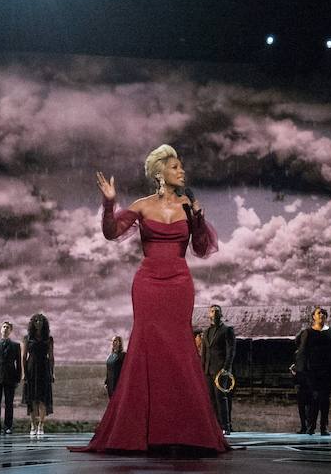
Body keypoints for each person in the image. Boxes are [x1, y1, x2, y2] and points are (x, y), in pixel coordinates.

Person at [76, 144, 228, 453]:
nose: (181, 171)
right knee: (146, 348)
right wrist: (109, 203)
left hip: (179, 283)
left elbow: (200, 247)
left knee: (179, 348)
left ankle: (186, 432)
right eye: (175, 167)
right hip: (148, 284)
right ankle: (138, 432)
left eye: (181, 167)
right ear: (159, 172)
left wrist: (198, 219)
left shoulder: (189, 204)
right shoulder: (142, 206)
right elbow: (111, 232)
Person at [294, 306, 331, 436]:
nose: (321, 315)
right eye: (319, 313)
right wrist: (298, 367)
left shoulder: (330, 332)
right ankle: (311, 427)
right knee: (314, 397)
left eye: (324, 313)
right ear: (313, 317)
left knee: (325, 399)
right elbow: (302, 351)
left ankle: (324, 427)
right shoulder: (307, 332)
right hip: (312, 371)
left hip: (327, 370)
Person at [201, 305, 235, 435]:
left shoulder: (227, 330)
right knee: (211, 398)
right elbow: (204, 352)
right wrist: (202, 369)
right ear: (209, 314)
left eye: (217, 311)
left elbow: (230, 351)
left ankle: (226, 426)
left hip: (221, 370)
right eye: (212, 311)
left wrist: (225, 369)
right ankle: (215, 426)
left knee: (220, 397)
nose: (214, 313)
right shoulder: (206, 332)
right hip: (208, 370)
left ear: (221, 314)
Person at [0, 321, 22, 435]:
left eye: (8, 327)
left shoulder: (16, 346)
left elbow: (18, 363)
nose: (5, 329)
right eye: (4, 327)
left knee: (9, 403)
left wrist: (18, 379)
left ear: (10, 330)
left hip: (10, 377)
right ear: (1, 329)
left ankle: (8, 427)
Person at [22, 313, 54, 438]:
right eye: (36, 320)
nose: (38, 322)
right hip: (31, 368)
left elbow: (51, 357)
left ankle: (41, 425)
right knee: (32, 399)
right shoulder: (27, 338)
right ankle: (33, 425)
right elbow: (24, 357)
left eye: (41, 320)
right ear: (32, 323)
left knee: (43, 399)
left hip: (44, 368)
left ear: (44, 323)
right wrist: (24, 373)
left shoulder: (48, 338)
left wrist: (52, 372)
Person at [290, 329, 309, 434]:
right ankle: (304, 426)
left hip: (308, 381)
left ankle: (307, 426)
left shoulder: (310, 353)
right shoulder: (297, 353)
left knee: (308, 405)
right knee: (302, 405)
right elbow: (296, 368)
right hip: (302, 381)